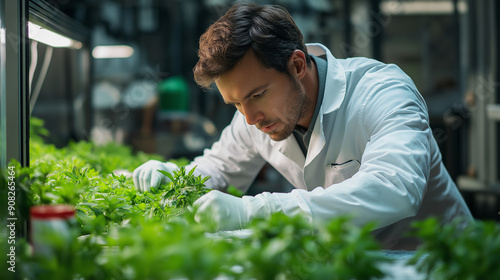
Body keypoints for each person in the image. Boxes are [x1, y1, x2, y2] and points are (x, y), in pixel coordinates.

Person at [133, 2, 472, 250]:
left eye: (257, 95)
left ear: (297, 64)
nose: (249, 118)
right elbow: (220, 167)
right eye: (235, 104)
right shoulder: (254, 115)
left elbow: (395, 189)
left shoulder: (381, 91)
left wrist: (256, 211)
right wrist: (175, 178)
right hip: (356, 262)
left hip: (435, 262)